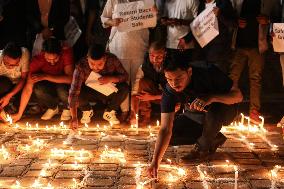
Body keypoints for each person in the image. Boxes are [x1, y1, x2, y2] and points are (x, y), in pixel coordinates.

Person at [148, 53, 243, 178]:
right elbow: (165, 129)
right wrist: (155, 162)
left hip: (224, 109)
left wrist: (211, 97)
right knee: (171, 136)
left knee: (214, 110)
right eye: (169, 79)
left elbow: (238, 96)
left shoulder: (208, 72)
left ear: (189, 71)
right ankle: (213, 137)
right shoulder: (169, 91)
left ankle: (202, 148)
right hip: (196, 116)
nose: (174, 84)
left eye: (178, 78)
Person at [229, 0, 280, 123]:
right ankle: (227, 111)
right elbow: (228, 14)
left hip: (258, 45)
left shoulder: (270, 1)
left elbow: (279, 18)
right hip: (239, 45)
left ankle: (254, 112)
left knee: (255, 78)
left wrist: (268, 21)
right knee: (232, 78)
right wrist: (236, 21)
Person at [101, 0, 152, 119]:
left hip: (140, 46)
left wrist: (153, 13)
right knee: (122, 81)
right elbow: (104, 19)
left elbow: (154, 20)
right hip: (119, 46)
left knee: (137, 81)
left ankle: (134, 113)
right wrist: (112, 22)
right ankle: (124, 111)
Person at [12, 38, 74, 122]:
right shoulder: (37, 60)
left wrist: (46, 76)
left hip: (63, 83)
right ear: (43, 53)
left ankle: (67, 108)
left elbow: (71, 79)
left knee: (61, 89)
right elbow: (28, 88)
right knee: (38, 88)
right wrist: (19, 113)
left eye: (55, 59)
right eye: (48, 59)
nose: (52, 62)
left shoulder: (66, 53)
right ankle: (53, 107)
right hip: (48, 85)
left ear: (60, 53)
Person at [68, 44, 129, 129]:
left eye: (100, 64)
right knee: (76, 91)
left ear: (105, 58)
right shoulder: (81, 66)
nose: (96, 67)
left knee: (124, 88)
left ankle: (110, 111)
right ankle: (86, 110)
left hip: (108, 91)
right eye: (92, 63)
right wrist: (74, 117)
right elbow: (73, 91)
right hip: (89, 92)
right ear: (87, 58)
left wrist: (111, 78)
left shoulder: (112, 60)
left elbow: (125, 76)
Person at [194, 0, 237, 73]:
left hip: (219, 52)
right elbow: (197, 24)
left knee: (219, 80)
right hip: (203, 52)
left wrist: (220, 14)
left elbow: (233, 24)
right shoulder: (201, 4)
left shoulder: (224, 3)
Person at [130, 41, 167, 126]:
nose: (154, 60)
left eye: (159, 57)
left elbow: (174, 92)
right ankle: (145, 116)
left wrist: (153, 97)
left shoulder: (169, 66)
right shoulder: (145, 65)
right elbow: (136, 89)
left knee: (174, 104)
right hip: (155, 94)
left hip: (170, 96)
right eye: (152, 56)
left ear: (164, 55)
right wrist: (133, 112)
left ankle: (170, 120)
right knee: (143, 83)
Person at [0, 43, 30, 121]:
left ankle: (12, 105)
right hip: (4, 85)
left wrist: (9, 96)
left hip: (18, 85)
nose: (9, 66)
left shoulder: (24, 54)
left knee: (16, 111)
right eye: (6, 63)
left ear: (19, 59)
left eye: (13, 65)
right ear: (3, 56)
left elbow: (23, 79)